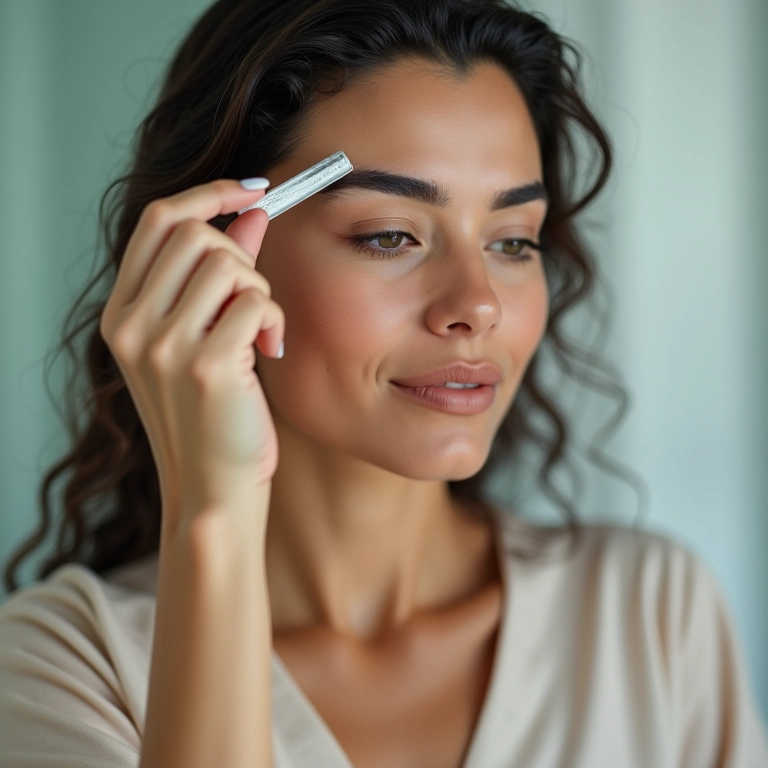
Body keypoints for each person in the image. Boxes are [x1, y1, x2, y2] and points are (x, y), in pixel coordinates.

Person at [1, 0, 767, 766]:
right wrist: (212, 512)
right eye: (390, 235)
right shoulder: (59, 670)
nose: (477, 305)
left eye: (513, 242)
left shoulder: (652, 619)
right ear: (217, 260)